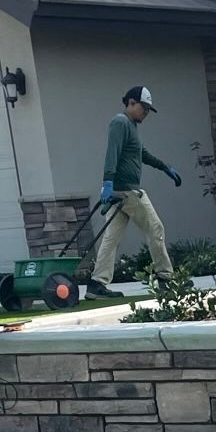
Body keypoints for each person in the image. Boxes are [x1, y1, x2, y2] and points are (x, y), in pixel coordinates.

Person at [87, 85, 183, 300]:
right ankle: (166, 279)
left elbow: (142, 154)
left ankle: (96, 284)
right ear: (130, 102)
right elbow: (112, 153)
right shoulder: (120, 122)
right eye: (143, 107)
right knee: (156, 228)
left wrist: (165, 167)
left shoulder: (131, 126)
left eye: (149, 109)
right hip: (127, 191)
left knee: (111, 238)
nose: (146, 113)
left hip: (120, 193)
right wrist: (108, 182)